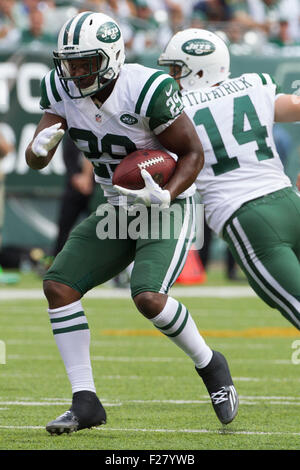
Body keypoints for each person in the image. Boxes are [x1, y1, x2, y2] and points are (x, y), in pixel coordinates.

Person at [25, 11, 238, 435]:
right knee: (58, 285)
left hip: (166, 205)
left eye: (85, 62)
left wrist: (167, 194)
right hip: (116, 206)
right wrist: (38, 147)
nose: (75, 72)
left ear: (112, 57)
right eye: (69, 62)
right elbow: (37, 157)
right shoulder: (59, 88)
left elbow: (192, 153)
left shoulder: (147, 89)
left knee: (148, 297)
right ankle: (85, 400)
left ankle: (210, 363)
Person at [158, 27, 300, 331]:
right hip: (290, 203)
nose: (171, 77)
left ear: (196, 70)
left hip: (247, 217)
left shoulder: (178, 111)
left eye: (175, 69)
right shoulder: (253, 85)